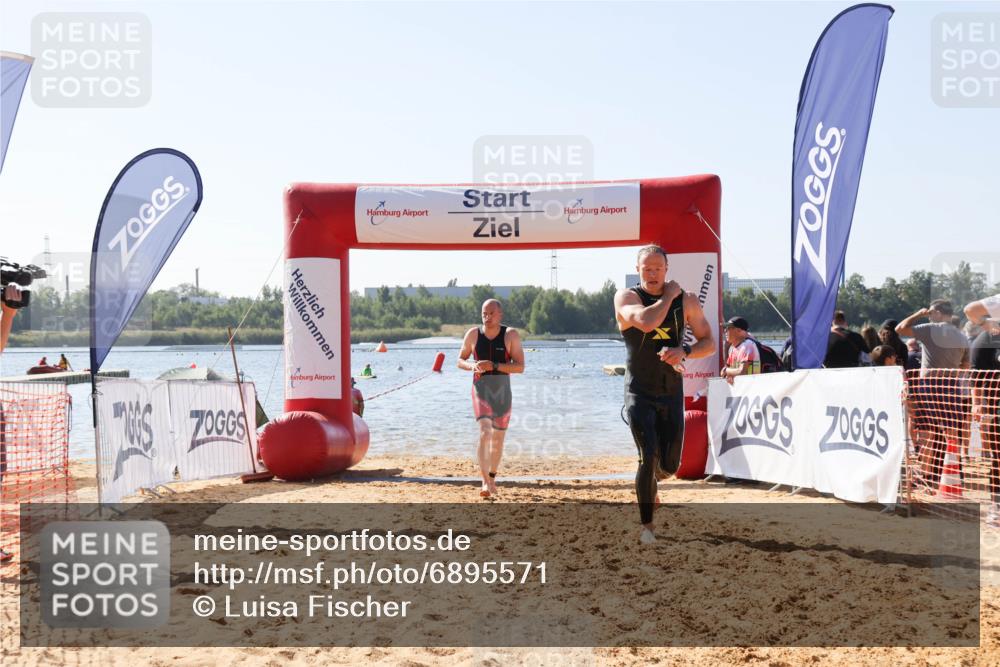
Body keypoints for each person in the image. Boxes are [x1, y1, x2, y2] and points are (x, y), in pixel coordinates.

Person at [614, 245, 714, 545]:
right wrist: (669, 296)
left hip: (671, 391)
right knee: (647, 457)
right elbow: (646, 322)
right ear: (638, 269)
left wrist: (684, 350)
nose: (653, 273)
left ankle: (654, 483)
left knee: (670, 466)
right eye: (647, 268)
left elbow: (708, 341)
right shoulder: (626, 297)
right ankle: (647, 527)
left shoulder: (688, 302)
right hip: (639, 392)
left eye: (658, 267)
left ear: (667, 269)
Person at [897, 300, 971, 486]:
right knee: (951, 431)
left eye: (931, 313)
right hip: (951, 385)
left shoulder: (931, 328)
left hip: (929, 384)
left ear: (937, 312)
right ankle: (953, 474)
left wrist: (919, 314)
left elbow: (900, 329)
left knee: (927, 432)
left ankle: (925, 476)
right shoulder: (962, 337)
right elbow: (966, 365)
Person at [457, 299, 525, 499]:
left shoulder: (510, 335)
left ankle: (492, 477)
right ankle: (485, 481)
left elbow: (520, 367)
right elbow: (460, 359)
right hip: (481, 389)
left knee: (498, 438)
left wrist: (494, 366)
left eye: (491, 313)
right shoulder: (473, 334)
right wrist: (472, 366)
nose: (487, 317)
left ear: (500, 315)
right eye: (484, 313)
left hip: (503, 391)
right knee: (485, 432)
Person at [970, 325, 1000, 526]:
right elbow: (976, 376)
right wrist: (977, 403)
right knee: (998, 459)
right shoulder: (988, 337)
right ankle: (996, 506)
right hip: (997, 409)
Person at [721, 317, 759, 383]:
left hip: (753, 387)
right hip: (742, 389)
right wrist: (727, 373)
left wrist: (726, 371)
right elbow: (727, 372)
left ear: (738, 330)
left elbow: (742, 372)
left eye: (728, 328)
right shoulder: (732, 348)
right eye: (725, 328)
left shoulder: (748, 345)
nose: (725, 331)